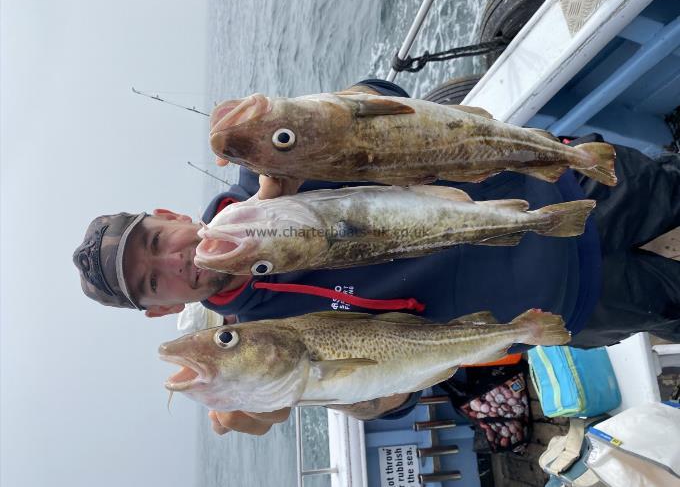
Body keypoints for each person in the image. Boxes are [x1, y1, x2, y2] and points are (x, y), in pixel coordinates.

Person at [73, 79, 680, 436]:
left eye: (157, 243)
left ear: (173, 218)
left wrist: (299, 141)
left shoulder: (267, 175)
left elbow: (386, 104)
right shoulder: (258, 346)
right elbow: (396, 391)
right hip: (576, 300)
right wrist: (290, 394)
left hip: (572, 189)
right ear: (160, 310)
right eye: (154, 282)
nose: (176, 263)